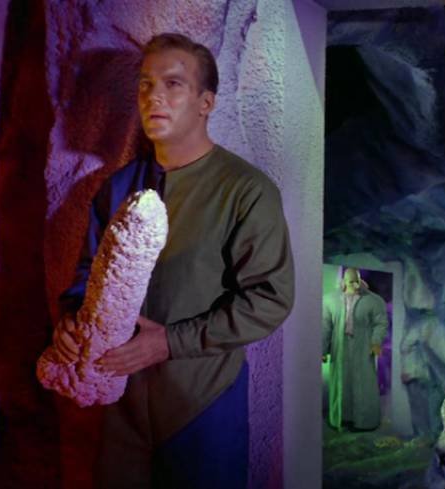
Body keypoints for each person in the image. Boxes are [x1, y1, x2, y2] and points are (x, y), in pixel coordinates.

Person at [54, 33, 294, 489]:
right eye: (145, 84)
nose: (154, 96)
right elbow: (86, 275)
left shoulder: (246, 191)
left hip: (202, 405)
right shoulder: (117, 187)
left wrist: (169, 342)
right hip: (119, 409)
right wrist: (71, 319)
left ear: (206, 103)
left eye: (173, 83)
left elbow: (270, 299)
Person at [322, 267, 388, 431]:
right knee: (341, 382)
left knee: (363, 382)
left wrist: (375, 342)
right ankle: (343, 418)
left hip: (363, 345)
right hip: (339, 346)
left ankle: (365, 420)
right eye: (351, 282)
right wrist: (322, 349)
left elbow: (380, 323)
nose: (355, 285)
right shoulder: (331, 300)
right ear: (344, 282)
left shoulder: (373, 300)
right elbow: (325, 326)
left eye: (357, 281)